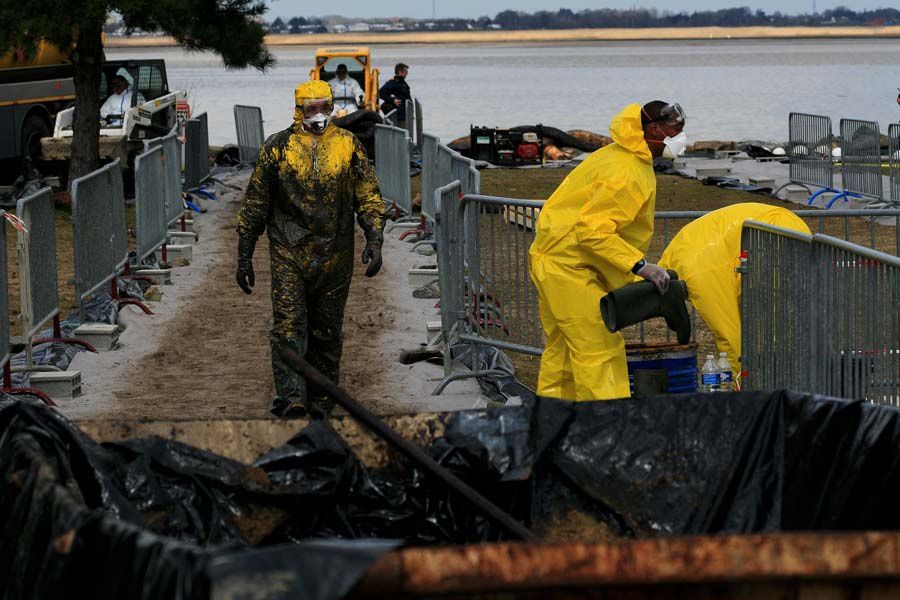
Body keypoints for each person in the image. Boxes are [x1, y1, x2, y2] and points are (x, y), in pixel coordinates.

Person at [235, 79, 385, 418]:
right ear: (298, 109)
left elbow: (367, 194)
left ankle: (322, 398)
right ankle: (291, 396)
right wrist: (244, 253)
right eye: (311, 109)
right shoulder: (278, 147)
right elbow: (257, 202)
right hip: (289, 251)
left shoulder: (348, 144)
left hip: (336, 253)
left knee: (327, 330)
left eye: (324, 108)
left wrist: (375, 236)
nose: (319, 116)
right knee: (288, 325)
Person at [528, 101, 687, 401]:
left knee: (563, 353)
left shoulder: (622, 156)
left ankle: (552, 422)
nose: (680, 136)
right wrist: (640, 266)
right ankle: (607, 428)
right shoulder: (628, 171)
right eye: (674, 130)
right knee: (599, 350)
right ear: (653, 129)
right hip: (571, 268)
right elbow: (592, 231)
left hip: (556, 260)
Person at [658, 203, 811, 380]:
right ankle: (775, 375)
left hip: (779, 229)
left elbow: (728, 337)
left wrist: (735, 386)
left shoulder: (695, 274)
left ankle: (753, 383)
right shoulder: (675, 259)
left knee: (771, 320)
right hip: (786, 227)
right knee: (775, 319)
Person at [378, 62, 411, 127]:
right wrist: (393, 100)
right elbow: (381, 93)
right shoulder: (393, 82)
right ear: (400, 72)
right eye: (405, 72)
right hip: (398, 117)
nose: (407, 74)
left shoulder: (403, 83)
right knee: (402, 134)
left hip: (405, 115)